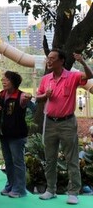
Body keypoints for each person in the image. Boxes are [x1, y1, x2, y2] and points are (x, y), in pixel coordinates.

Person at [35, 50, 93, 205]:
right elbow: (38, 98)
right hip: (50, 123)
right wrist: (45, 96)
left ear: (61, 61)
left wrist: (82, 62)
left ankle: (73, 192)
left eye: (53, 58)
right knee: (50, 158)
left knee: (71, 158)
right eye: (48, 58)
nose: (49, 61)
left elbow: (89, 76)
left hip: (67, 123)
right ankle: (50, 190)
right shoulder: (46, 79)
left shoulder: (72, 76)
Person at [0, 71, 32, 198]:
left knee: (18, 162)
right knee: (8, 162)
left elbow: (28, 102)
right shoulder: (1, 94)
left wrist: (29, 98)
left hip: (16, 135)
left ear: (13, 82)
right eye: (3, 79)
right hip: (3, 133)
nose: (3, 81)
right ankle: (10, 185)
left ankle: (20, 189)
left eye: (6, 79)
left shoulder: (21, 96)